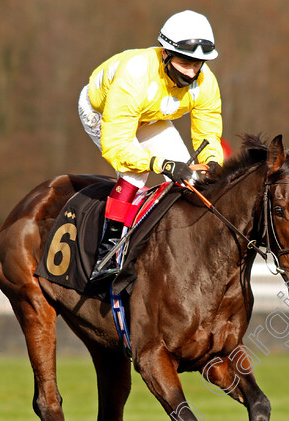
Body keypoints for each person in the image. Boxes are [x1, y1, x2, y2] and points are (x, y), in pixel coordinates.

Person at [78, 9, 225, 280]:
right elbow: (118, 146)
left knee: (191, 178)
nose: (192, 72)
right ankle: (108, 250)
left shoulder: (206, 82)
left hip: (149, 117)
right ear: (166, 53)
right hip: (102, 112)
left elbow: (208, 134)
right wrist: (163, 164)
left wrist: (213, 161)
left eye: (198, 64)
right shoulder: (134, 75)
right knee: (136, 173)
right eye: (185, 61)